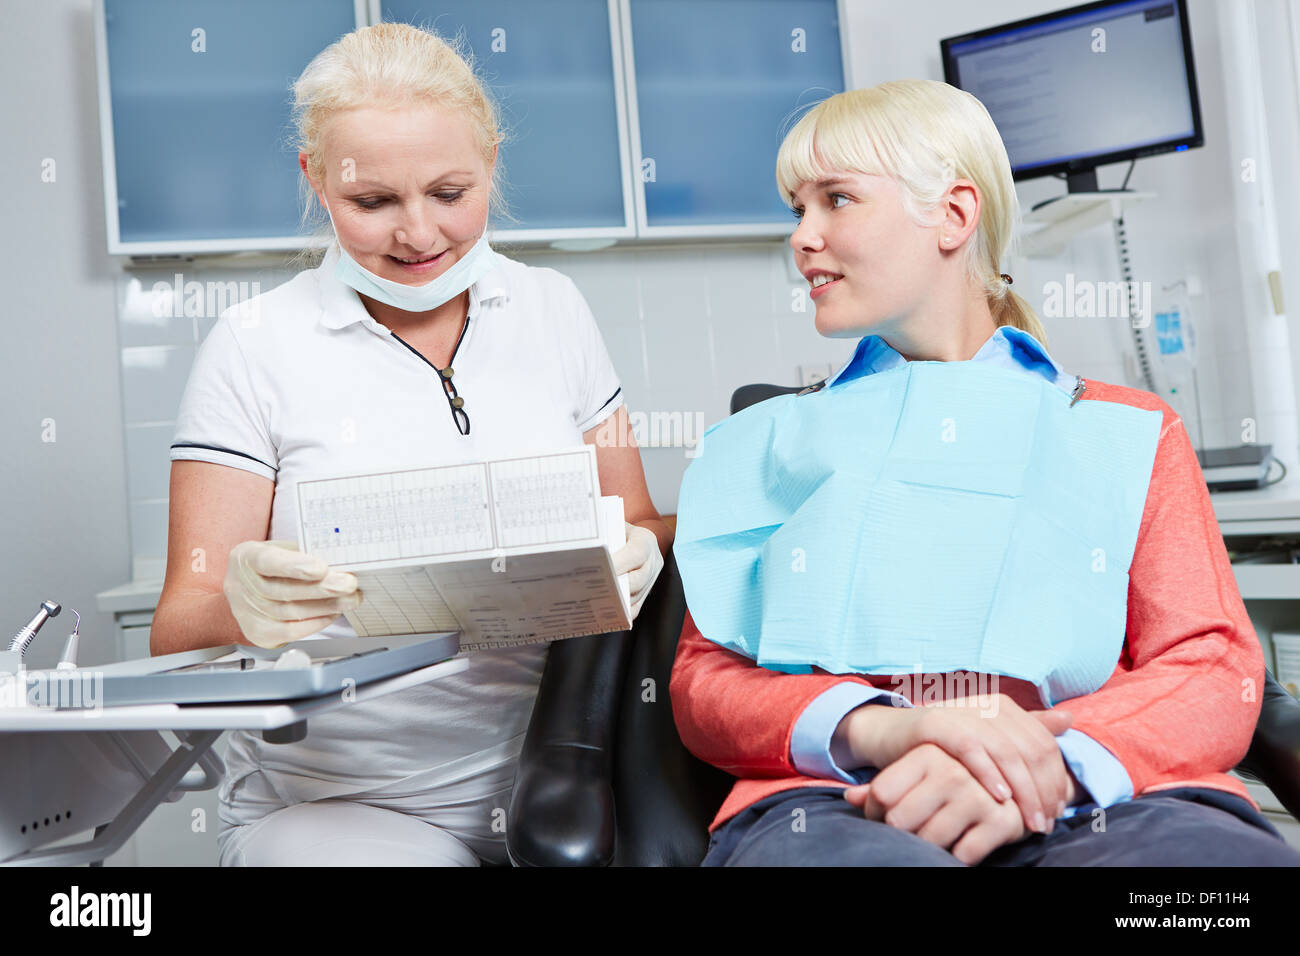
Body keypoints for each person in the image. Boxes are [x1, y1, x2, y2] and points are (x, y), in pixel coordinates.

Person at [669, 79, 1300, 867]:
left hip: (1109, 795)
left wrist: (1040, 765)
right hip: (840, 804)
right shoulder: (765, 444)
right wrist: (886, 728)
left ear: (954, 215)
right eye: (797, 209)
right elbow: (705, 686)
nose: (802, 236)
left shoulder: (1122, 430)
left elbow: (1210, 667)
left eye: (836, 199)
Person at [154, 22, 668, 866]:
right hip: (348, 803)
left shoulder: (555, 312)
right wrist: (242, 608)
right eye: (373, 202)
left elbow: (640, 516)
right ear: (316, 180)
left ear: (492, 163)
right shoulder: (253, 345)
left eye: (450, 192)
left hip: (569, 776)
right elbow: (178, 623)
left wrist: (641, 542)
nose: (420, 235)